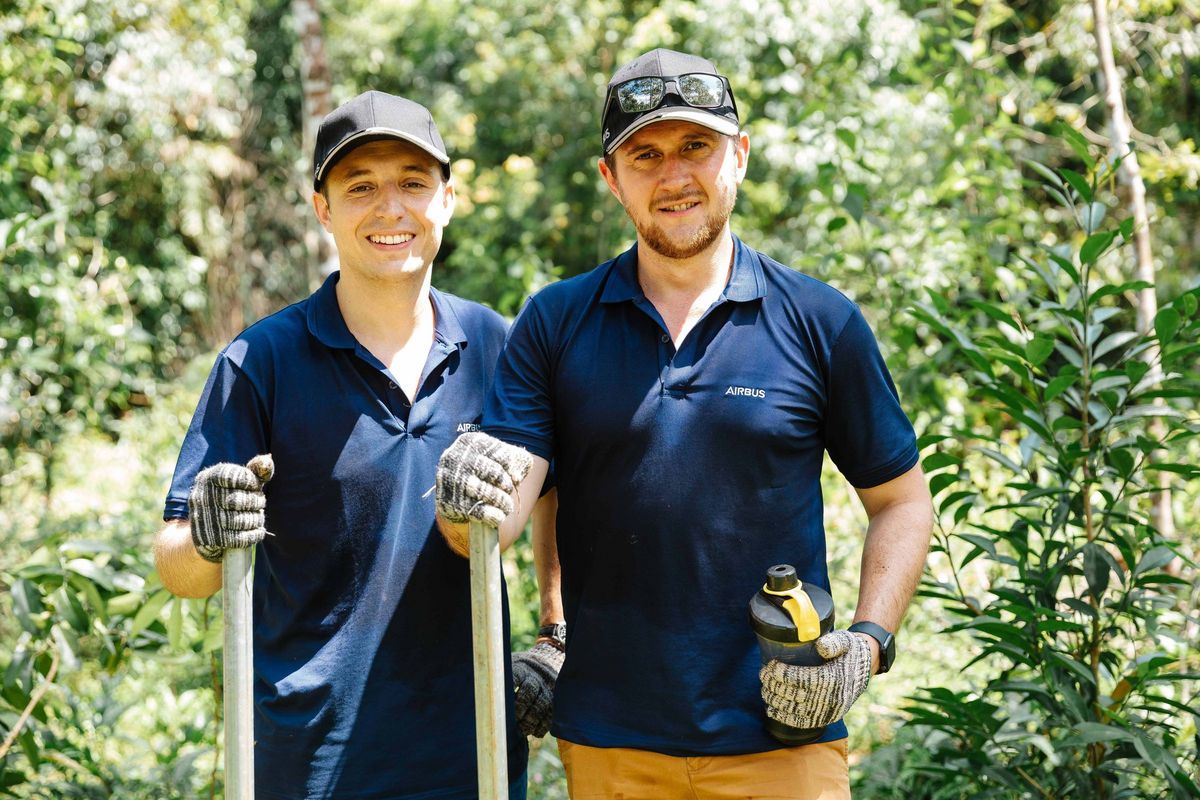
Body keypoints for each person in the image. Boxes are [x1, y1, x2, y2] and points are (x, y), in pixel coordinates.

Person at [435, 49, 933, 798]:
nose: (673, 176)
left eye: (695, 146)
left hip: (782, 742)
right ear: (611, 178)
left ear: (739, 156)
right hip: (609, 744)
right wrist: (463, 506)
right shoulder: (555, 322)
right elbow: (502, 514)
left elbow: (901, 500)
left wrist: (868, 643)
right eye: (645, 155)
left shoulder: (821, 321)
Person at [154, 90, 535, 800]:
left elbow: (556, 495)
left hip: (472, 752)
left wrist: (555, 634)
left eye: (413, 183)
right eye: (360, 187)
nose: (390, 208)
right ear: (323, 209)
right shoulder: (260, 361)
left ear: (448, 199)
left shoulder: (496, 344)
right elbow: (179, 567)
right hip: (310, 762)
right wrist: (207, 536)